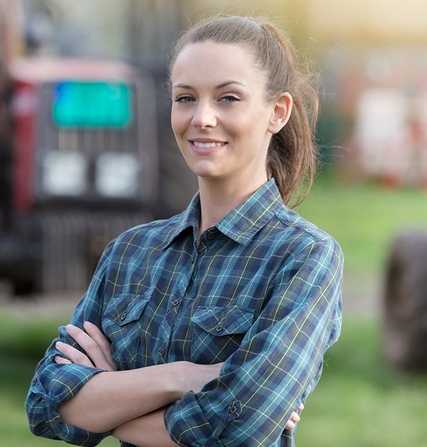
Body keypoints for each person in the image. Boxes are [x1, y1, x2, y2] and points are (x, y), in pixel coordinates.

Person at [26, 15, 343, 447]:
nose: (202, 118)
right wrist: (178, 379)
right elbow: (47, 404)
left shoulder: (305, 257)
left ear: (277, 112)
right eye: (186, 98)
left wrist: (108, 399)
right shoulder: (130, 253)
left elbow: (239, 427)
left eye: (228, 98)